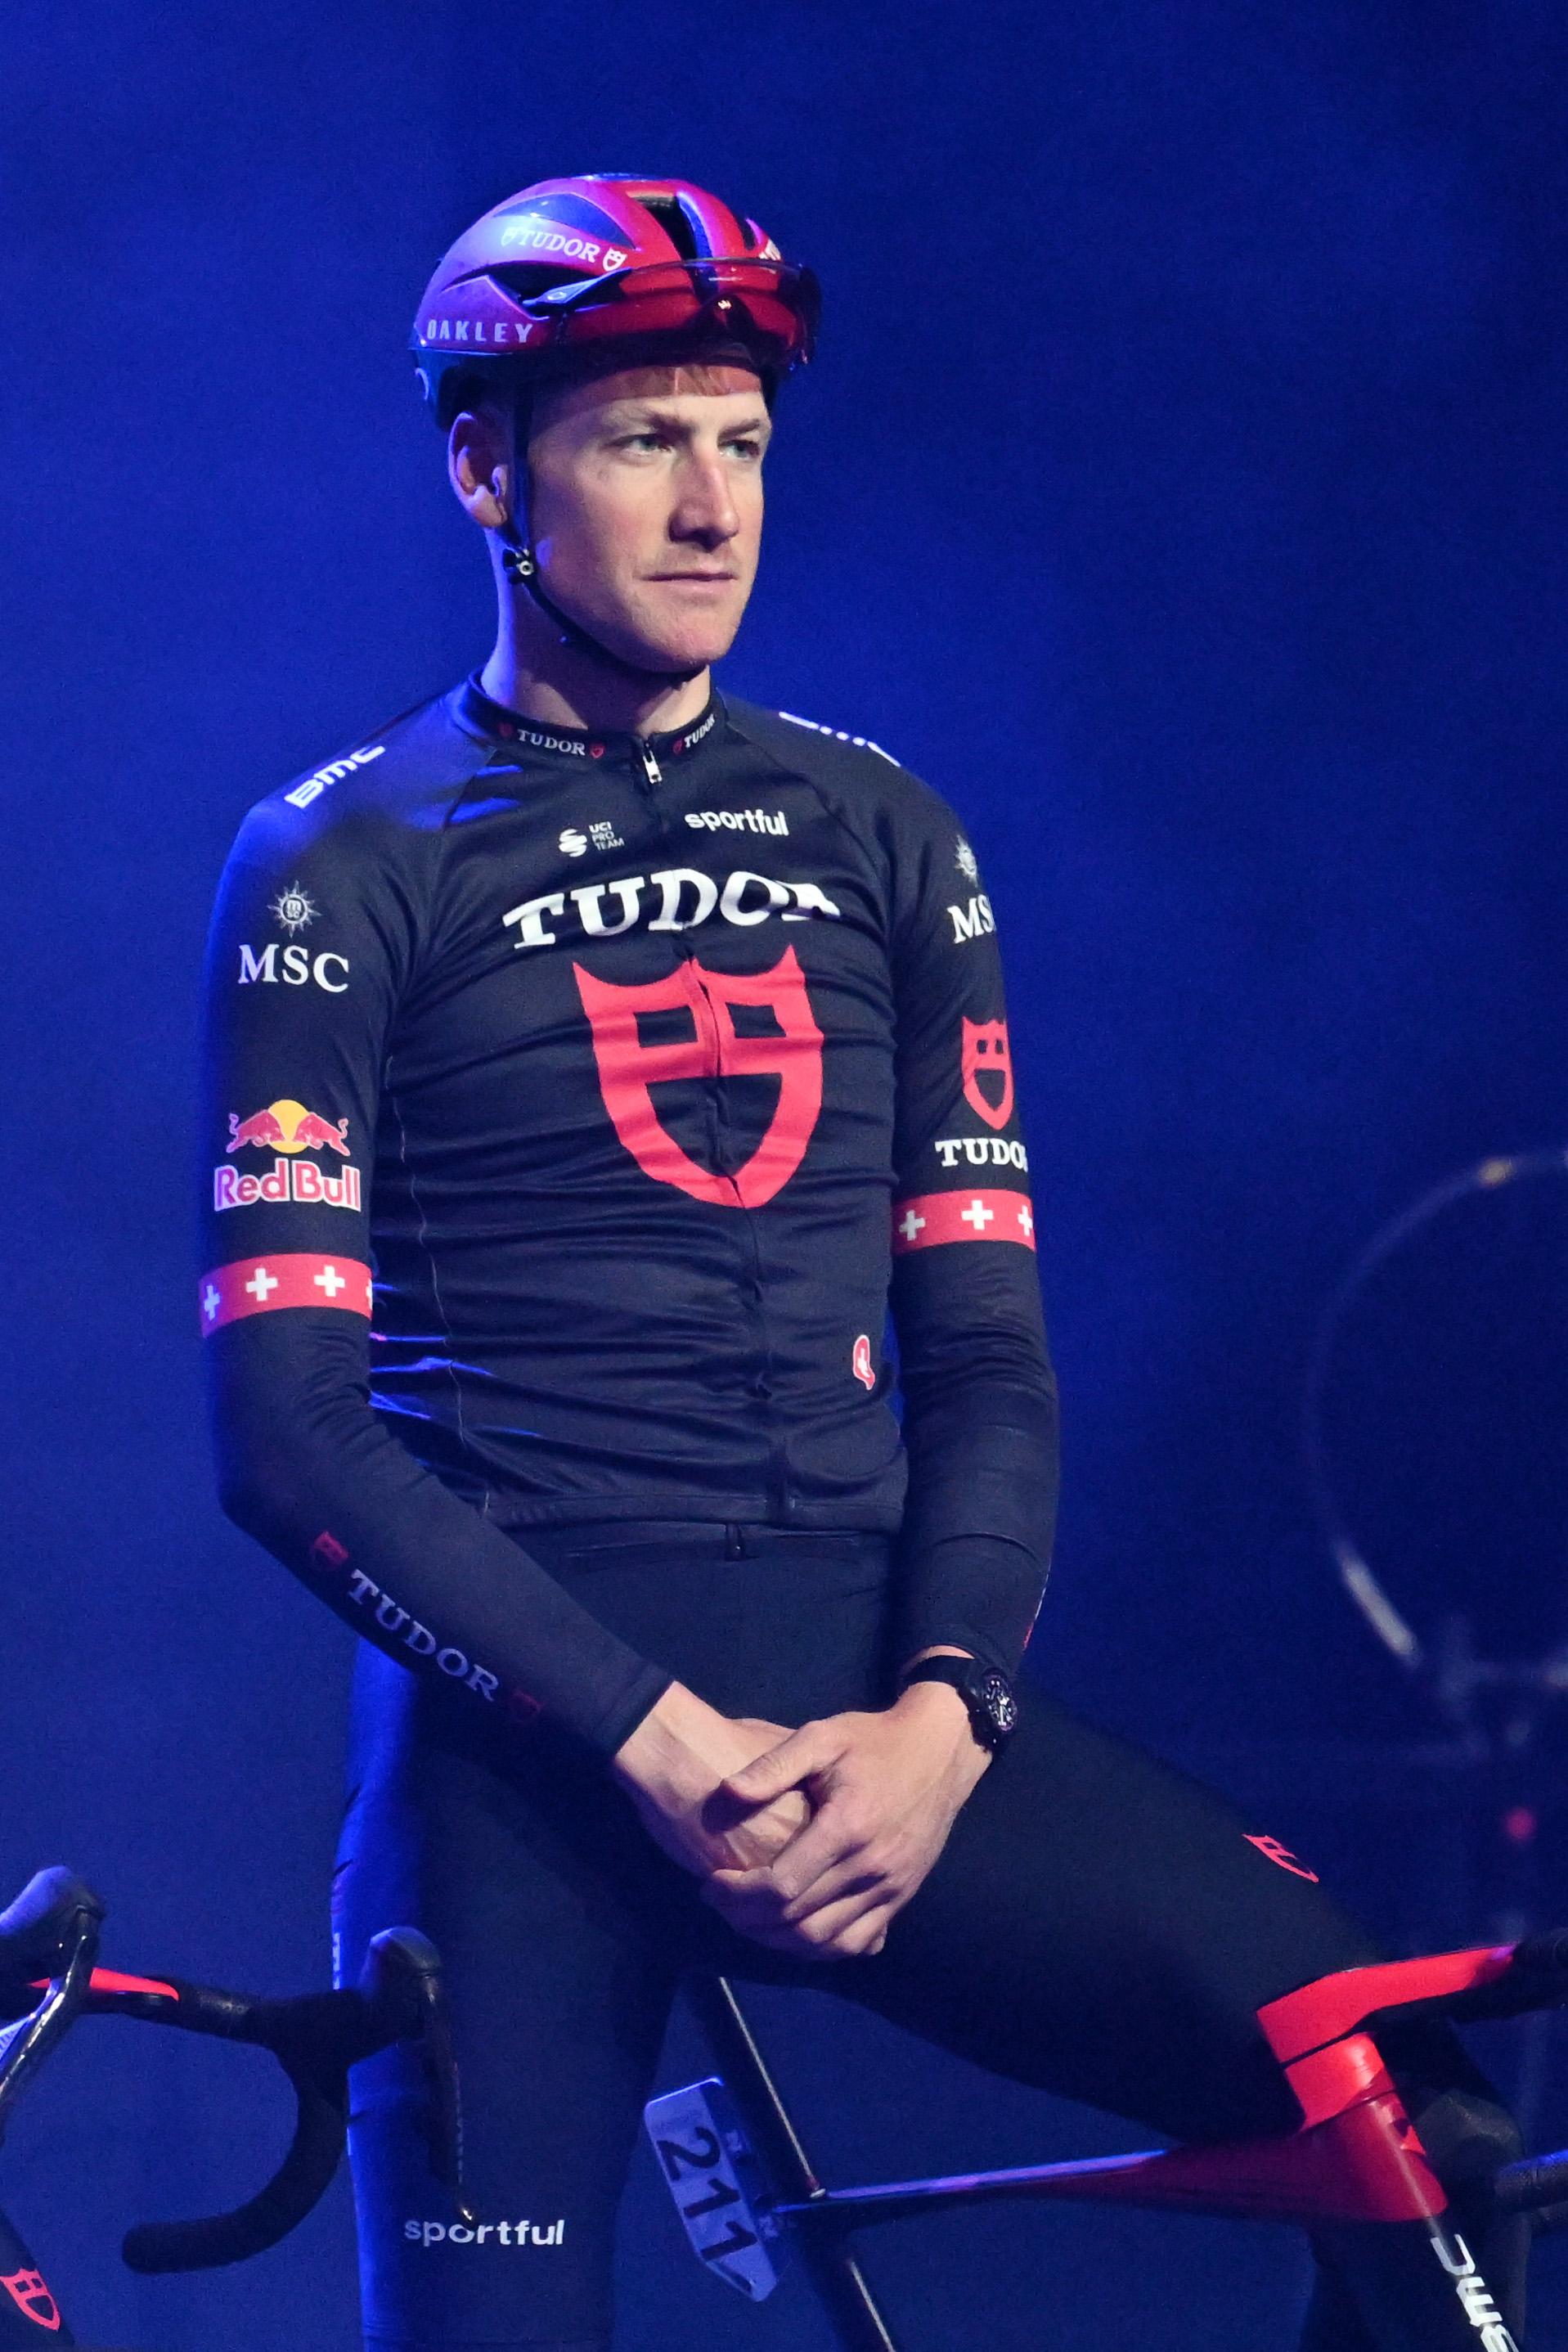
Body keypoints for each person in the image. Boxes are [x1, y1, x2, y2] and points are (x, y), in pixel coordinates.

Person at [200, 174, 1527, 2351]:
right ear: (483, 472)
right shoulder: (334, 855)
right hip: (517, 1754)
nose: (712, 503)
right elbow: (283, 1432)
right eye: (642, 437)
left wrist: (938, 1723)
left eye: (743, 439)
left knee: (1424, 2130)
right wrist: (650, 1739)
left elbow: (986, 1358)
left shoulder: (886, 832)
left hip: (877, 1702)